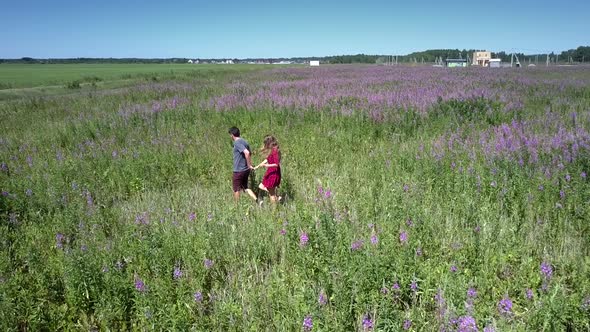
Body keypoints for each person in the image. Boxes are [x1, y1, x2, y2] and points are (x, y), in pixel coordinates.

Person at [229, 127, 257, 203]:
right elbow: (249, 153)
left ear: (232, 135)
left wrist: (249, 165)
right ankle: (257, 201)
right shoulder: (245, 142)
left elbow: (247, 153)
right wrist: (249, 165)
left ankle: (237, 207)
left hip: (238, 170)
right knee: (245, 187)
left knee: (236, 189)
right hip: (245, 170)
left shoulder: (237, 142)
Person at [255, 135, 282, 204]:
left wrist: (266, 165)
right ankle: (278, 197)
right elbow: (267, 159)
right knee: (262, 186)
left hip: (273, 173)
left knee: (271, 194)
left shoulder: (275, 151)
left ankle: (274, 211)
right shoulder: (272, 150)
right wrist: (259, 165)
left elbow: (276, 164)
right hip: (271, 172)